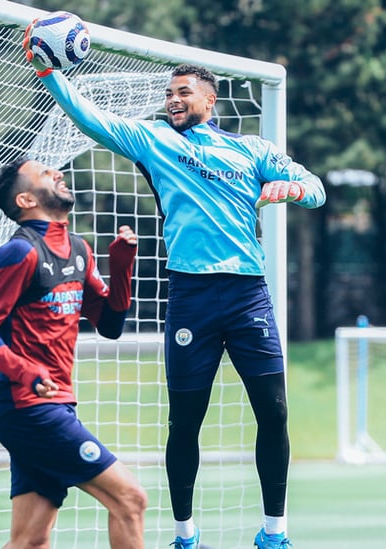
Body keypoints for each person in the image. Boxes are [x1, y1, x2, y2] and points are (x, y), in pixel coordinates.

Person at [22, 23, 326, 549]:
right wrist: (49, 72)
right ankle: (185, 536)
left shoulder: (252, 149)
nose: (172, 100)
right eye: (169, 93)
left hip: (247, 294)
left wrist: (292, 186)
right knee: (185, 420)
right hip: (191, 297)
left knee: (273, 411)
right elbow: (89, 118)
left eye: (183, 92)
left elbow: (318, 189)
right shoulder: (154, 140)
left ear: (211, 98)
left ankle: (274, 534)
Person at [0, 157, 147, 549]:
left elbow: (111, 325)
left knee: (31, 540)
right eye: (46, 173)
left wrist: (122, 265)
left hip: (53, 404)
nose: (58, 173)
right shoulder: (18, 253)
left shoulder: (79, 249)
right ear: (27, 199)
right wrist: (26, 372)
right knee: (130, 500)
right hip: (27, 407)